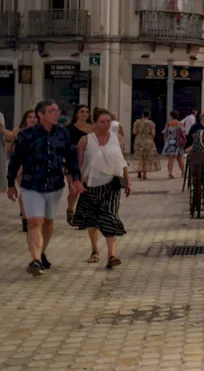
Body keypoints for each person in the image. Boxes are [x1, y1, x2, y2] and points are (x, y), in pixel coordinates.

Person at [6, 99, 83, 276]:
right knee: (35, 222)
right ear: (41, 115)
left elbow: (71, 158)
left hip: (54, 185)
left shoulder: (63, 134)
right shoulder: (26, 135)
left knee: (48, 221)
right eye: (52, 111)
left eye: (57, 110)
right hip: (31, 184)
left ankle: (40, 253)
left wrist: (76, 179)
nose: (57, 114)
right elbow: (15, 160)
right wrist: (10, 183)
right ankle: (35, 260)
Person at [71, 109, 130, 269]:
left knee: (110, 216)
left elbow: (122, 160)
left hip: (112, 184)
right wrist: (78, 183)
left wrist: (128, 181)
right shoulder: (85, 140)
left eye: (108, 121)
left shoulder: (117, 138)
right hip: (91, 184)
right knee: (92, 219)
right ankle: (94, 250)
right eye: (102, 121)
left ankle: (111, 255)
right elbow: (80, 165)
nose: (105, 125)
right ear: (95, 123)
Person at [5, 110, 36, 232]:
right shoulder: (17, 132)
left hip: (38, 166)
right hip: (21, 166)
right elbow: (9, 151)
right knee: (25, 191)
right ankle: (25, 218)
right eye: (30, 117)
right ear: (25, 118)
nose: (33, 119)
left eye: (35, 117)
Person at [65, 104, 93, 223]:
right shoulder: (68, 128)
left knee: (86, 189)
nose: (85, 114)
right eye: (82, 111)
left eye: (87, 112)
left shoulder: (92, 128)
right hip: (71, 162)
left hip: (88, 162)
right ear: (77, 113)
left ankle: (83, 214)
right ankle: (70, 208)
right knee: (74, 190)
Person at [132, 110, 160, 180]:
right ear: (148, 115)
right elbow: (153, 133)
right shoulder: (151, 123)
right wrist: (151, 139)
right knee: (146, 157)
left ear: (142, 114)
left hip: (138, 140)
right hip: (148, 140)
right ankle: (145, 174)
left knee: (138, 156)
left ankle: (139, 172)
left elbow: (134, 132)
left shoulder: (136, 122)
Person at [161, 110, 186, 179]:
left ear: (171, 116)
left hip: (170, 141)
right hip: (178, 142)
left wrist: (165, 141)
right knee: (180, 158)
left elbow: (165, 133)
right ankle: (183, 172)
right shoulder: (180, 123)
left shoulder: (168, 123)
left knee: (170, 159)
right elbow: (183, 132)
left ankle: (170, 173)